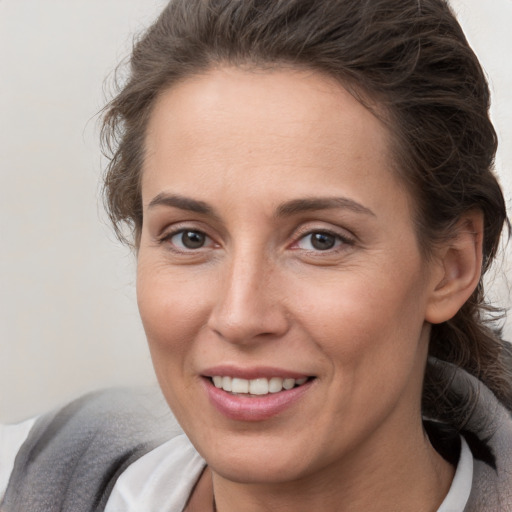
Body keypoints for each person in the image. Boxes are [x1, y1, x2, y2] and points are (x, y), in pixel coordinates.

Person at [1, 0, 511, 510]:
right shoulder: (26, 475)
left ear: (451, 266)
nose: (240, 317)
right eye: (191, 237)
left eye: (320, 240)